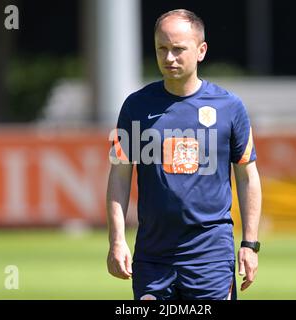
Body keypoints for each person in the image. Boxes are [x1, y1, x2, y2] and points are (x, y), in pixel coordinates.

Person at [106, 9, 262, 300]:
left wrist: (250, 244)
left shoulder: (230, 107)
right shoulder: (134, 107)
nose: (168, 58)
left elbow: (247, 176)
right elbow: (119, 175)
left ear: (201, 51)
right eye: (161, 49)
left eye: (178, 49)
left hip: (211, 258)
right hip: (152, 258)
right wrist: (117, 240)